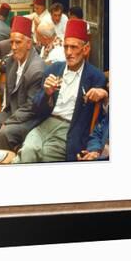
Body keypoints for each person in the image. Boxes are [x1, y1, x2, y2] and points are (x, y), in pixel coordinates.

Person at [12, 19, 107, 163]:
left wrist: (104, 95)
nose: (69, 52)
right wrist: (47, 93)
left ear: (85, 49)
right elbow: (36, 108)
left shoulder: (95, 77)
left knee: (45, 155)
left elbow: (102, 118)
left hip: (70, 128)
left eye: (74, 47)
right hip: (45, 123)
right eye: (66, 47)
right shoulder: (53, 69)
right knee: (29, 150)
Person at [0, 16, 46, 150]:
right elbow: (3, 64)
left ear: (29, 44)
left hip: (30, 119)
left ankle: (6, 166)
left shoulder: (36, 70)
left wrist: (9, 122)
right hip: (12, 112)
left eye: (18, 42)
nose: (13, 47)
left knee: (4, 133)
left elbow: (31, 108)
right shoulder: (13, 59)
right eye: (11, 42)